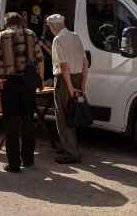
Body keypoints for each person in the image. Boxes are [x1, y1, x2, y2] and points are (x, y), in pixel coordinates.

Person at [0, 12, 43, 173]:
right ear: (21, 22)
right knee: (28, 122)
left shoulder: (0, 36)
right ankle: (28, 160)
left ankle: (14, 164)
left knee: (11, 123)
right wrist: (40, 81)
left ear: (6, 22)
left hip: (8, 84)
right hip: (28, 84)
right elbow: (40, 59)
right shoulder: (31, 34)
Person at [47, 14, 88, 164]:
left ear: (53, 26)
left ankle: (71, 153)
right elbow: (85, 62)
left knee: (63, 117)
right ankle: (70, 147)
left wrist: (70, 87)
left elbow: (64, 66)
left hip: (65, 81)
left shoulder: (58, 40)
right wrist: (82, 85)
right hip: (77, 77)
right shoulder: (75, 36)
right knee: (73, 114)